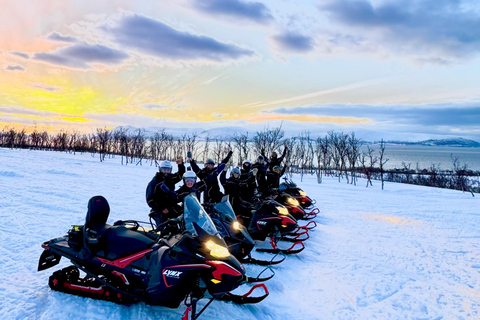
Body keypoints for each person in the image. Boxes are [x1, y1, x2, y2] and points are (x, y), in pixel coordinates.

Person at [146, 158, 185, 225]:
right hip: (160, 209)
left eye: (168, 170)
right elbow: (150, 199)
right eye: (164, 169)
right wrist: (161, 208)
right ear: (160, 169)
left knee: (184, 215)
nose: (166, 172)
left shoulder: (170, 179)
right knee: (166, 227)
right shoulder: (154, 182)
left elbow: (180, 175)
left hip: (171, 206)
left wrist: (180, 165)